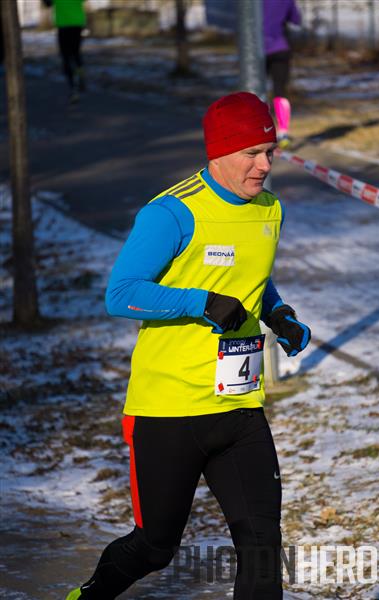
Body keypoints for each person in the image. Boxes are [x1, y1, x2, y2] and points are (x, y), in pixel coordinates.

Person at [66, 91, 311, 600]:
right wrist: (201, 302)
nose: (265, 166)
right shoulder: (172, 213)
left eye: (270, 152)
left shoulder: (270, 210)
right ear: (218, 152)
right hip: (169, 409)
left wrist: (278, 313)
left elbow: (254, 276)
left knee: (262, 545)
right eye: (252, 153)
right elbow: (121, 293)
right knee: (155, 547)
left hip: (239, 406)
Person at [263, 0, 301, 148]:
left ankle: (260, 132)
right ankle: (283, 132)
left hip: (257, 50)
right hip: (280, 47)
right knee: (280, 91)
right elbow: (296, 20)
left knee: (256, 92)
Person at [44, 0, 86, 103]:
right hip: (77, 24)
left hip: (63, 26)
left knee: (66, 57)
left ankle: (73, 87)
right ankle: (80, 74)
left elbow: (47, 3)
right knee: (76, 53)